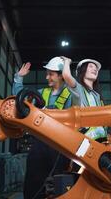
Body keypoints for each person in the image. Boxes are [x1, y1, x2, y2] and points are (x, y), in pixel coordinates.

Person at [12, 57, 72, 199]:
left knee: (60, 183)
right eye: (47, 73)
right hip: (39, 144)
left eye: (51, 74)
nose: (47, 77)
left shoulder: (71, 95)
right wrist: (18, 78)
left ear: (61, 75)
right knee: (33, 182)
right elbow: (21, 101)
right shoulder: (41, 93)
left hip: (61, 145)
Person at [61, 57, 107, 142]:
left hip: (101, 139)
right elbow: (66, 75)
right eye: (90, 66)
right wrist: (67, 62)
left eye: (96, 68)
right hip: (85, 141)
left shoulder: (97, 95)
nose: (95, 69)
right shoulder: (78, 89)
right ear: (82, 71)